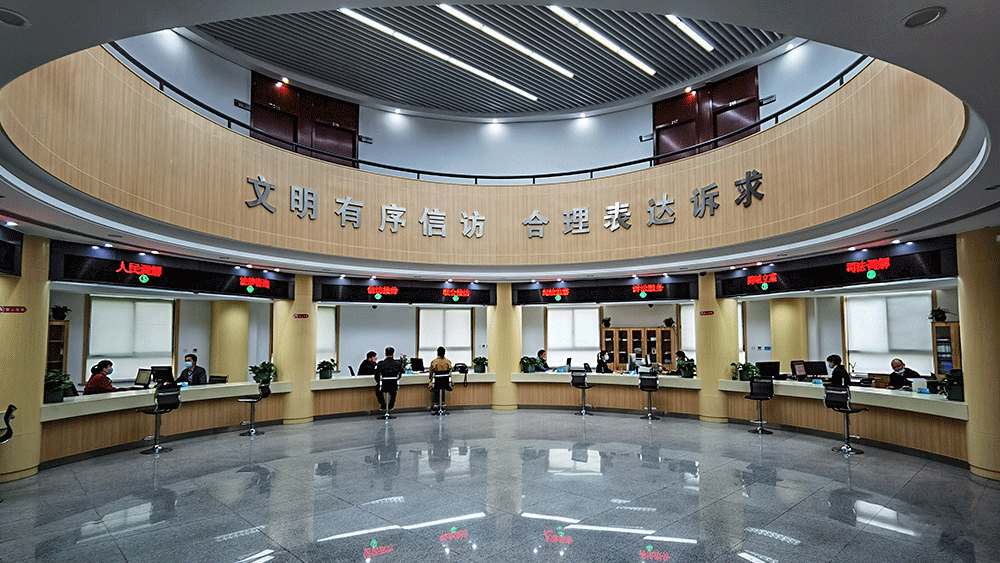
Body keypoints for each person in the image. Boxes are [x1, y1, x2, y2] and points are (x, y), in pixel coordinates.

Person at [375, 346, 404, 413]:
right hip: (393, 386)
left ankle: (383, 404)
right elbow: (401, 373)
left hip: (383, 386)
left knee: (377, 388)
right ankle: (391, 404)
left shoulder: (380, 364)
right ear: (393, 354)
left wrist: (379, 382)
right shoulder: (397, 363)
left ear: (385, 354)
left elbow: (376, 376)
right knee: (393, 390)